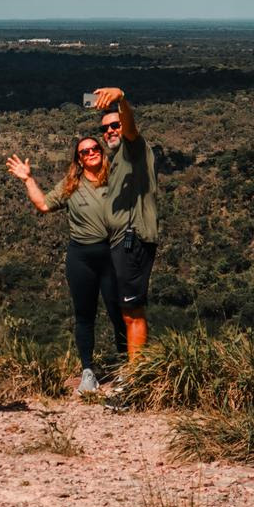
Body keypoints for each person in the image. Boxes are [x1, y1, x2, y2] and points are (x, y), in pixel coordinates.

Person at [6, 137, 128, 394]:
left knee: (119, 312)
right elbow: (43, 204)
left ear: (102, 153)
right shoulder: (71, 185)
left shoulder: (115, 178)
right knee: (84, 315)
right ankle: (88, 372)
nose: (91, 153)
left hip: (112, 254)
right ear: (79, 159)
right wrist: (28, 179)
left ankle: (126, 368)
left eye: (95, 148)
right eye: (85, 151)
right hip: (81, 257)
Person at [92, 87, 159, 362]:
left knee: (133, 311)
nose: (109, 131)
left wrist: (121, 98)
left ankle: (136, 378)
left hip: (134, 239)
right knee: (126, 310)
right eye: (104, 128)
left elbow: (131, 127)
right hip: (120, 242)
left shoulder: (134, 146)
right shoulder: (117, 158)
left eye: (114, 125)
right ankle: (133, 370)